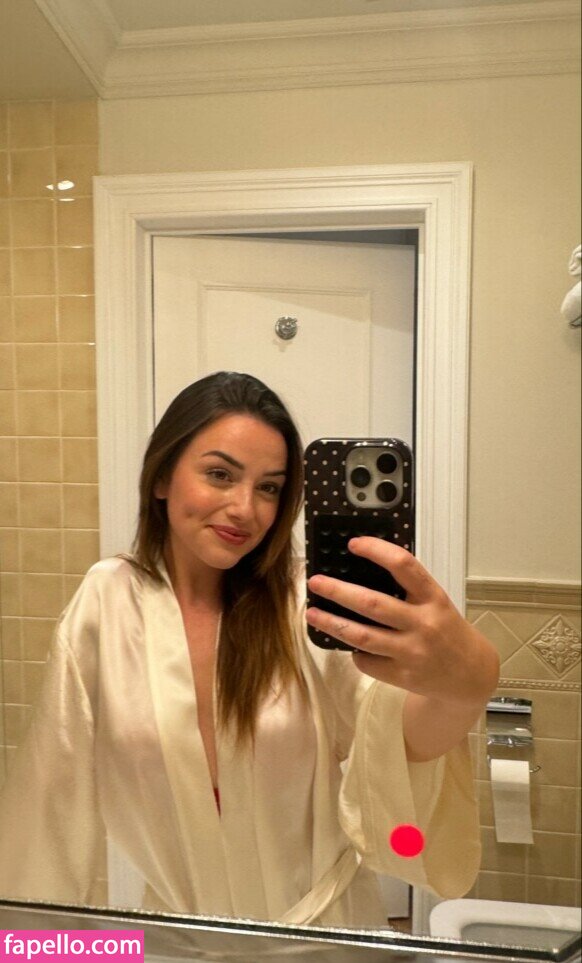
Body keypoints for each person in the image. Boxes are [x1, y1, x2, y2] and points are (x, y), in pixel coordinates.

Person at [0, 371, 499, 927]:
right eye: (220, 474)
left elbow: (398, 737)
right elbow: (49, 807)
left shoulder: (305, 604)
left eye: (269, 488)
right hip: (179, 942)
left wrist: (469, 682)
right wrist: (39, 946)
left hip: (325, 936)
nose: (245, 508)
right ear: (162, 476)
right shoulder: (106, 602)